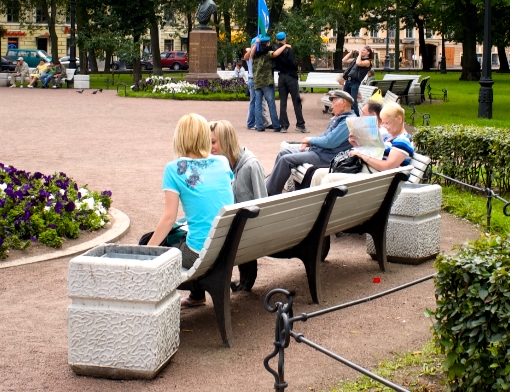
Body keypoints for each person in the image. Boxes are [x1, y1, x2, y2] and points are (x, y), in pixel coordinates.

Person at [145, 113, 234, 308]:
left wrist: (144, 251)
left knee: (150, 240)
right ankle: (196, 295)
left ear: (180, 137)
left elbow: (168, 219)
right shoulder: (222, 162)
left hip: (199, 253)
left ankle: (153, 305)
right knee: (189, 230)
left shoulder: (173, 169)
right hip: (228, 246)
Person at [210, 120, 266, 291]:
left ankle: (232, 282)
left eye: (213, 142)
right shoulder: (221, 165)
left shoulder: (251, 165)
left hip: (249, 230)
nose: (209, 147)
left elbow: (263, 202)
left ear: (226, 141)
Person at [265, 90, 354, 196]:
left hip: (326, 157)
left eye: (334, 103)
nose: (332, 107)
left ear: (343, 102)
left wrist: (309, 140)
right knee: (283, 153)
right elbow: (325, 137)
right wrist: (311, 143)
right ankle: (271, 189)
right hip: (320, 152)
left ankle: (268, 194)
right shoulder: (340, 118)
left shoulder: (348, 121)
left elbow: (330, 142)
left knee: (286, 160)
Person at [310, 103, 414, 188]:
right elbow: (374, 154)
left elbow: (387, 167)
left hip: (378, 179)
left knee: (329, 179)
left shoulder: (403, 141)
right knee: (318, 174)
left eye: (387, 123)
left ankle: (323, 212)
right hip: (367, 171)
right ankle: (313, 211)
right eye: (383, 123)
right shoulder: (388, 138)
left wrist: (361, 155)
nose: (384, 126)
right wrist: (355, 144)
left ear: (399, 119)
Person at [272, 32, 308, 134]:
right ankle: (300, 125)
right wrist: (297, 64)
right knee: (296, 101)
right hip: (291, 77)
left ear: (277, 40)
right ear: (285, 39)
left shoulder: (275, 49)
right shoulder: (288, 50)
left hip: (281, 77)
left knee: (283, 103)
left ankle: (283, 126)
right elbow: (292, 64)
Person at [250, 36, 281, 132]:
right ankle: (276, 126)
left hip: (257, 82)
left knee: (258, 105)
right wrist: (284, 47)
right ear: (267, 44)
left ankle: (259, 126)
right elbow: (275, 54)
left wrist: (255, 44)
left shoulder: (255, 55)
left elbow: (251, 54)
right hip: (267, 82)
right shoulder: (268, 54)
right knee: (271, 104)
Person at [342, 46, 373, 115]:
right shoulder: (357, 59)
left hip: (355, 82)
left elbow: (358, 63)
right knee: (345, 98)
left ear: (368, 53)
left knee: (353, 101)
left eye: (364, 50)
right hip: (348, 81)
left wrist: (359, 54)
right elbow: (344, 60)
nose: (362, 51)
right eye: (361, 50)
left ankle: (356, 117)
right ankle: (346, 114)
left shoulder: (368, 62)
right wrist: (351, 52)